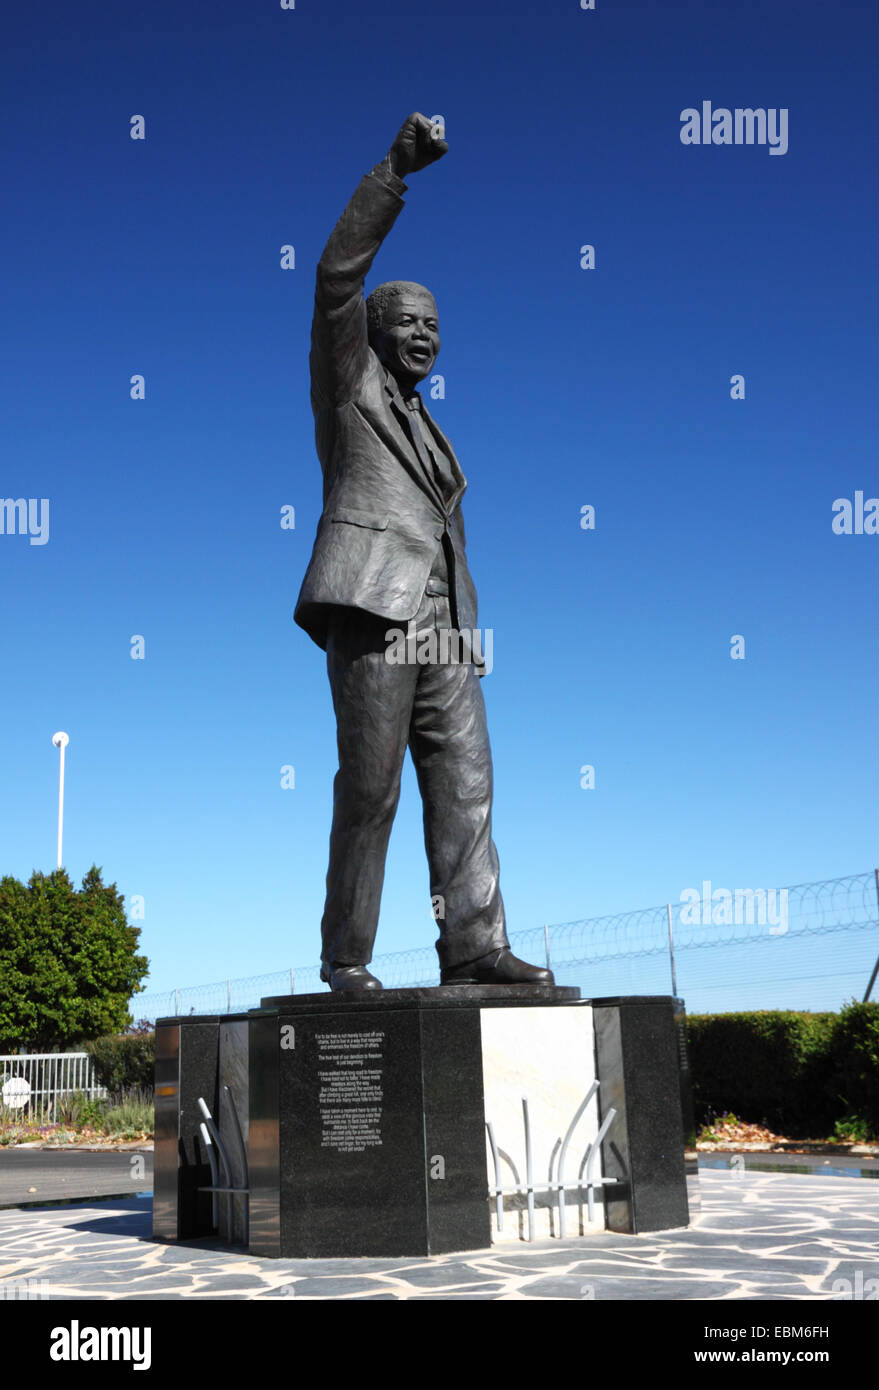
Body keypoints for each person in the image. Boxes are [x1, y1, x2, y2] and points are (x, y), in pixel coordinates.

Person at [295, 113, 554, 993]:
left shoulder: (433, 429)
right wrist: (395, 170)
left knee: (467, 787)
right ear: (372, 332)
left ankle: (474, 945)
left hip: (444, 628)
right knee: (371, 792)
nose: (423, 334)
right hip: (373, 610)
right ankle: (347, 957)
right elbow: (336, 275)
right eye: (406, 320)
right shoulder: (347, 388)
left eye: (433, 325)